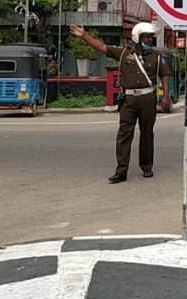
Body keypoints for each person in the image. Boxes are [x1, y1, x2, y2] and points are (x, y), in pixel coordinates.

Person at [70, 22, 170, 184]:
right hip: (128, 99)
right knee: (124, 134)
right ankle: (121, 170)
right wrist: (84, 36)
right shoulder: (123, 53)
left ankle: (146, 166)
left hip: (148, 98)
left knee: (147, 133)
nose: (150, 39)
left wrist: (165, 96)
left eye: (151, 36)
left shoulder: (156, 57)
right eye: (146, 36)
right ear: (138, 37)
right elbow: (102, 47)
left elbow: (165, 74)